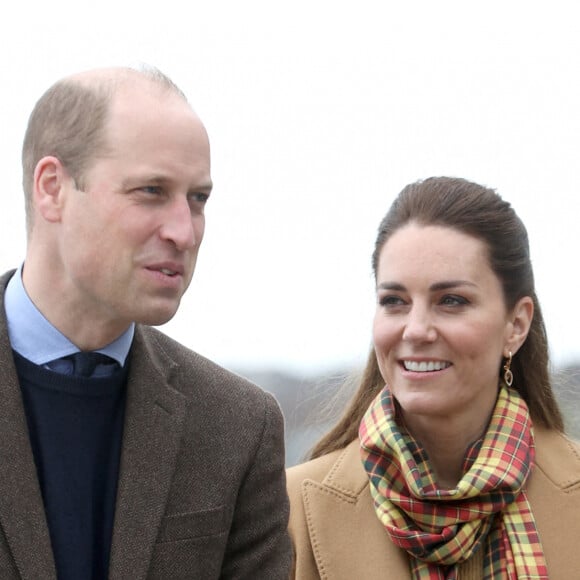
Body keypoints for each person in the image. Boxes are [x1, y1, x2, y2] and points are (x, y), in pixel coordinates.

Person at [0, 66, 292, 579]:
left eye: (198, 199)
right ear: (52, 189)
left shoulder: (239, 428)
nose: (185, 231)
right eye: (152, 190)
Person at [287, 176, 580, 579]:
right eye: (394, 301)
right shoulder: (290, 509)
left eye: (451, 301)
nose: (416, 329)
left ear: (516, 324)